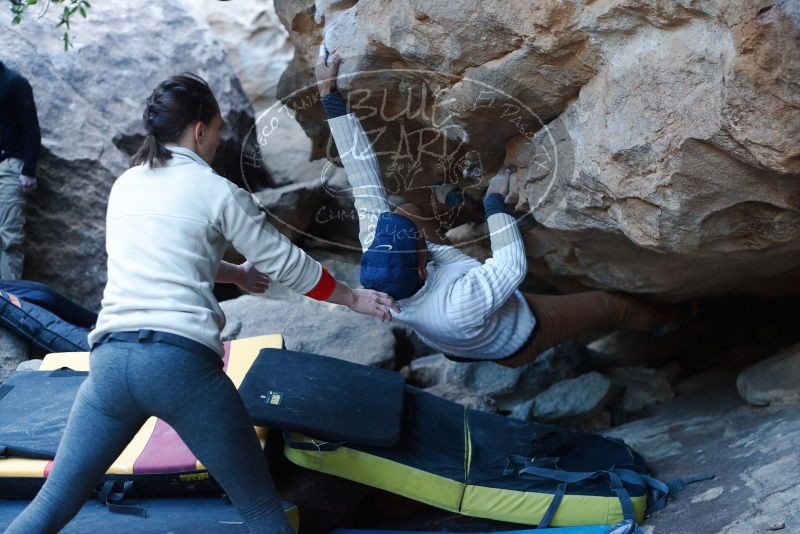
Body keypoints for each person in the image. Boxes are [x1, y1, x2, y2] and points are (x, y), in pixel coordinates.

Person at [5, 72, 397, 534]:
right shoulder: (217, 190)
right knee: (259, 510)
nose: (217, 141)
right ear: (199, 130)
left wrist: (236, 275)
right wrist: (351, 297)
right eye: (216, 131)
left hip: (110, 362)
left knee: (53, 502)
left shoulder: (126, 185)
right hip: (178, 366)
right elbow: (286, 261)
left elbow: (172, 254)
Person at [315, 47, 680, 368]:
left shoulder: (378, 263)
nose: (417, 240)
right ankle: (672, 324)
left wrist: (330, 98)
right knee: (608, 306)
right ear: (423, 269)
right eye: (420, 246)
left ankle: (465, 211)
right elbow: (511, 266)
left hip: (452, 325)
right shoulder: (458, 306)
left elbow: (364, 179)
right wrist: (495, 204)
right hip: (519, 334)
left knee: (400, 212)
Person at [0, 61, 40, 280]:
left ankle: (8, 309)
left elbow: (31, 128)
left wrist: (29, 170)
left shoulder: (14, 83)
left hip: (11, 167)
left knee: (9, 236)